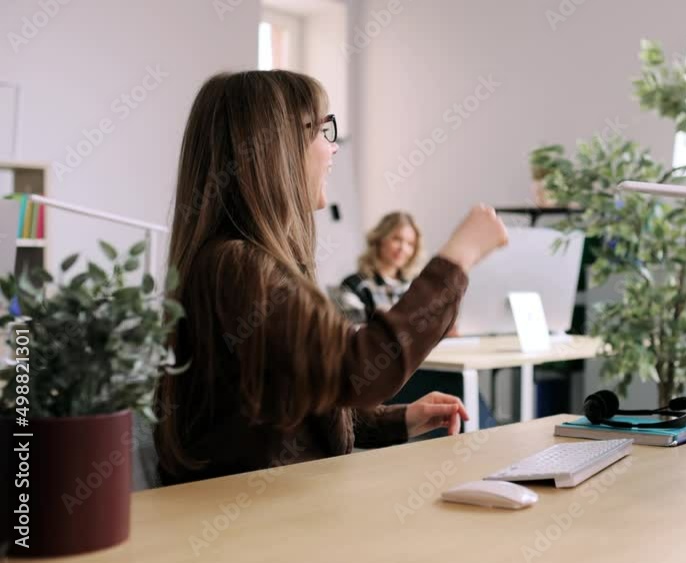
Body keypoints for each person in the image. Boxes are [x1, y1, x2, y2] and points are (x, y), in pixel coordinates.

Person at [154, 70, 508, 486]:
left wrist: (398, 420)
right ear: (276, 150)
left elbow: (312, 387)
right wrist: (457, 258)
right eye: (320, 131)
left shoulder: (247, 262)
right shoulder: (236, 265)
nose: (333, 146)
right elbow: (357, 370)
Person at [331, 211, 499, 431]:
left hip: (416, 367)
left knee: (459, 384)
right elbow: (360, 343)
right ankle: (481, 438)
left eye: (410, 243)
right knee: (456, 384)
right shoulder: (353, 285)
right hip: (381, 379)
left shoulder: (412, 286)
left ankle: (480, 437)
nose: (403, 248)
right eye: (397, 239)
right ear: (379, 239)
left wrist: (442, 330)